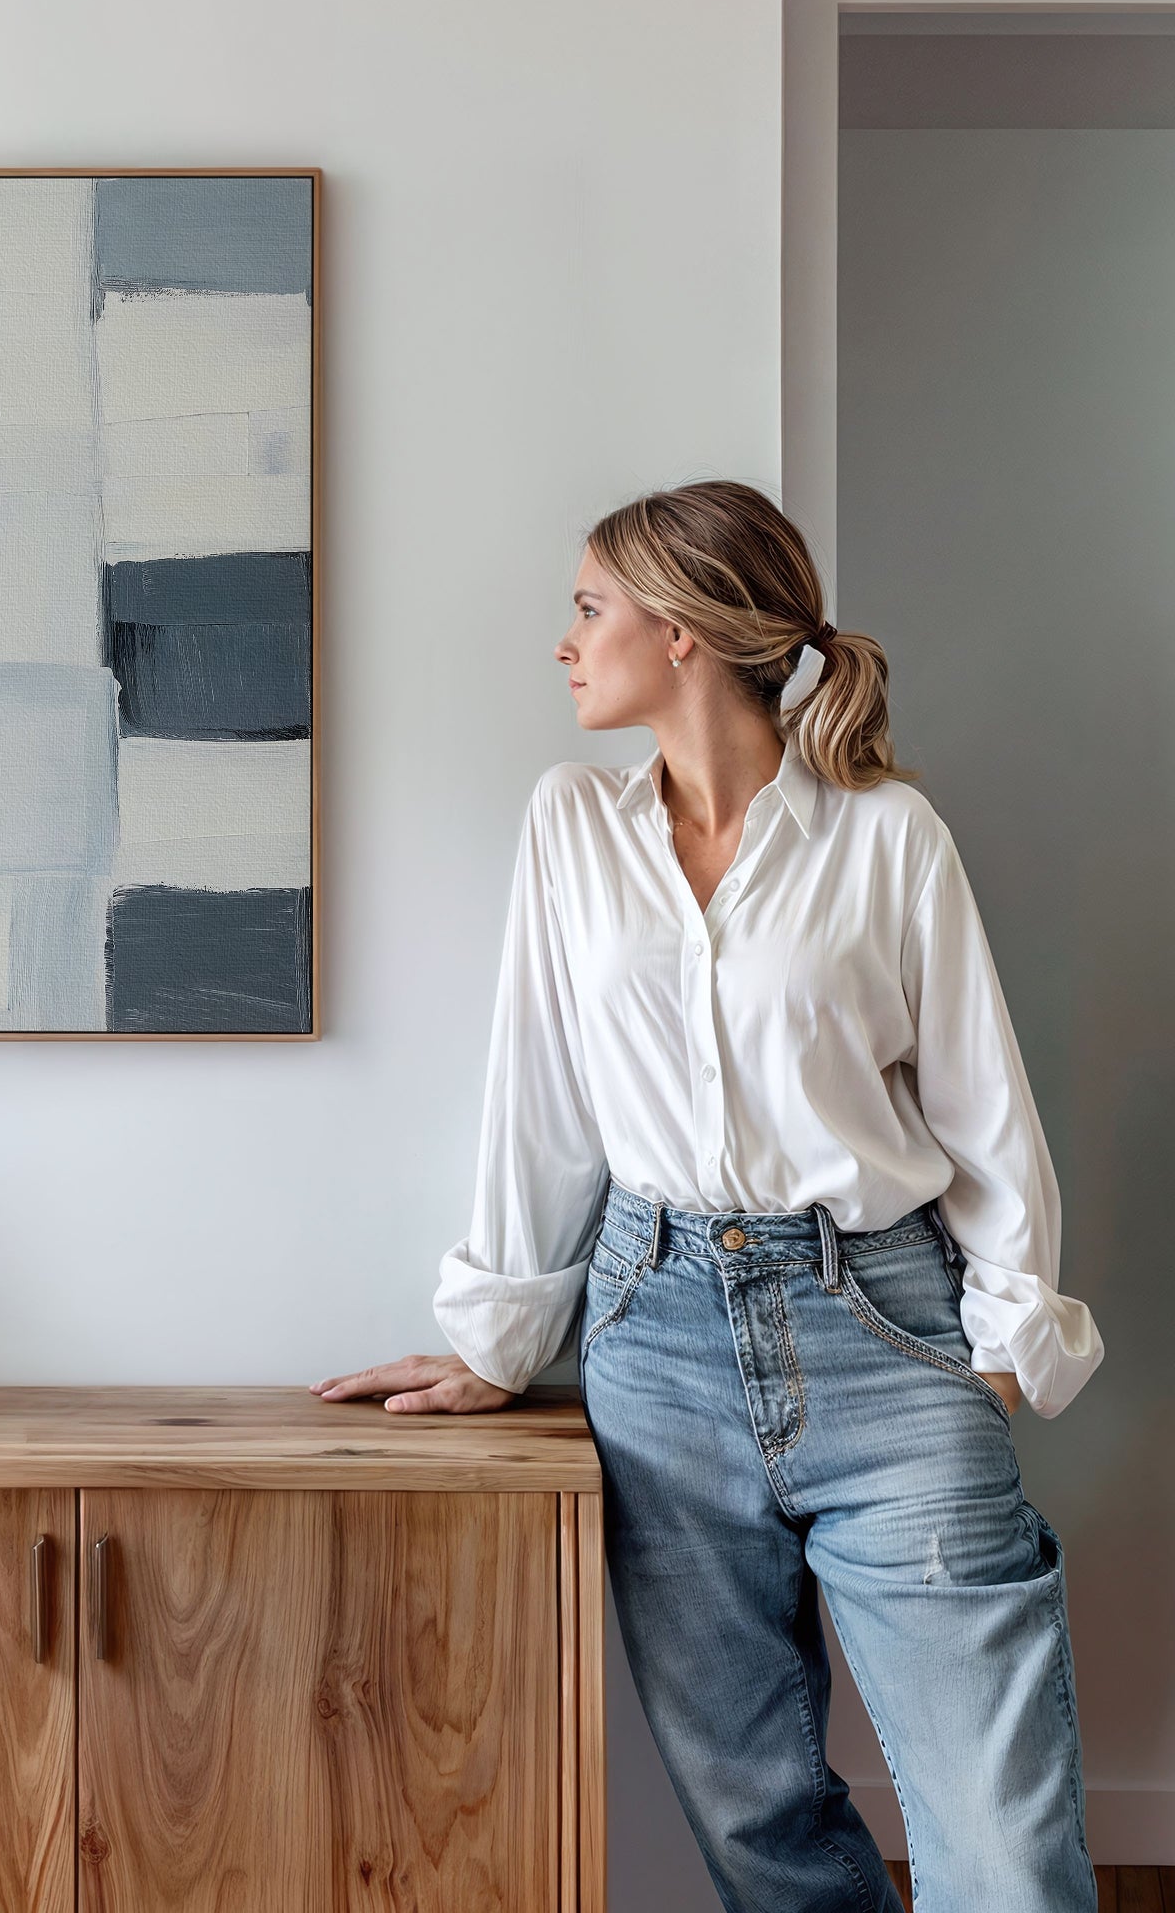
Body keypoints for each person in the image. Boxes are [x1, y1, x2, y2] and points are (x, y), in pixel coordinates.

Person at [311, 481, 1104, 1911]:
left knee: (1000, 1837)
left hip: (886, 1325)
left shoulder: (886, 837)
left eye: (588, 607)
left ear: (682, 633)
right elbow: (538, 1095)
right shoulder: (571, 828)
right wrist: (503, 1337)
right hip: (655, 1337)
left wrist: (1001, 1343)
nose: (565, 642)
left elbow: (985, 1107)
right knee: (758, 1823)